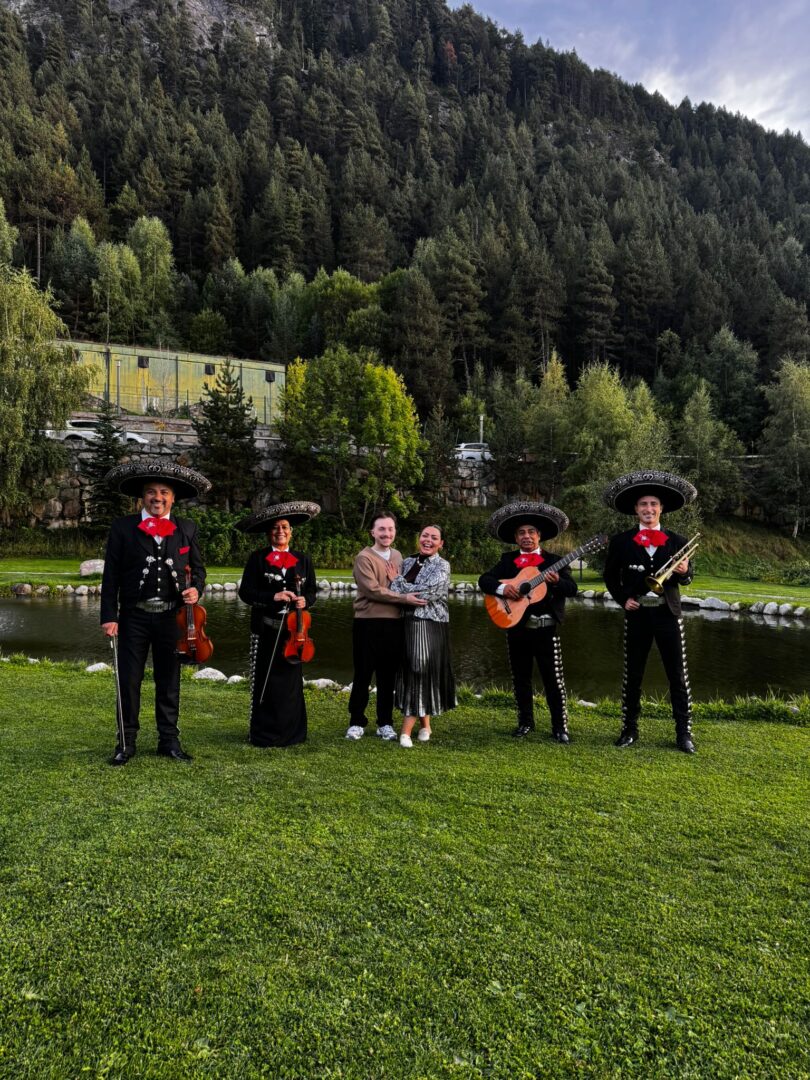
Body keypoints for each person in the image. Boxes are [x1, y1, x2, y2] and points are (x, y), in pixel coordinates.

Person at [100, 460, 210, 765]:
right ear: (142, 498)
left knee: (169, 680)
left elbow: (199, 571)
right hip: (133, 616)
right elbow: (110, 576)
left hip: (172, 618)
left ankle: (169, 741)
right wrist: (109, 616)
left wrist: (196, 589)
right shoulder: (123, 527)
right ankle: (126, 743)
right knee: (129, 680)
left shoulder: (187, 528)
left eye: (164, 492)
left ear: (173, 498)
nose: (157, 497)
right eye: (151, 492)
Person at [602, 470, 698, 753]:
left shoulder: (678, 540)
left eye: (653, 504)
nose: (648, 509)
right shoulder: (621, 541)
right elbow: (610, 577)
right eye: (643, 504)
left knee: (677, 676)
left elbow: (688, 578)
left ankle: (684, 733)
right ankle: (629, 729)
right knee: (633, 674)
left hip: (668, 614)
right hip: (638, 614)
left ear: (661, 508)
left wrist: (683, 572)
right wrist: (623, 599)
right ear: (635, 509)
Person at [479, 501, 577, 742]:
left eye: (531, 532)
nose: (526, 536)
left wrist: (555, 582)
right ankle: (525, 723)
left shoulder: (555, 560)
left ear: (539, 535)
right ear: (515, 537)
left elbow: (571, 589)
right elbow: (484, 580)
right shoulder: (507, 560)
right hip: (517, 629)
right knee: (520, 678)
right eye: (521, 532)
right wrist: (503, 588)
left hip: (546, 629)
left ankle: (559, 727)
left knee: (553, 680)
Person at [237, 502, 319, 748]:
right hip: (266, 630)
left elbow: (312, 591)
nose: (280, 531)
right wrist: (271, 597)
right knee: (266, 682)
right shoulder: (257, 559)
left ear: (291, 531)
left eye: (284, 527)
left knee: (291, 684)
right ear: (268, 533)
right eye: (274, 528)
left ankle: (292, 732)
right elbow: (245, 593)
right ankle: (264, 733)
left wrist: (306, 600)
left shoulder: (303, 560)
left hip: (294, 634)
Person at [346, 511, 426, 741]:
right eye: (381, 529)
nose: (386, 533)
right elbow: (372, 590)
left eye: (390, 529)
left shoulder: (399, 556)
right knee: (363, 673)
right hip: (367, 623)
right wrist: (404, 599)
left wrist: (405, 592)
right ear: (373, 532)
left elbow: (403, 585)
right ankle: (356, 722)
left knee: (387, 676)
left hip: (394, 624)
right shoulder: (364, 557)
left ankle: (385, 723)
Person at [386, 524, 457, 747]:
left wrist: (398, 581)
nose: (428, 540)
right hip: (406, 622)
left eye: (434, 537)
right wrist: (402, 588)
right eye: (425, 535)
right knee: (415, 670)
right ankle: (426, 725)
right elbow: (400, 593)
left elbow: (428, 593)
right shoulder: (407, 561)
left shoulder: (442, 565)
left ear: (441, 544)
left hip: (429, 623)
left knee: (419, 669)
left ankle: (405, 731)